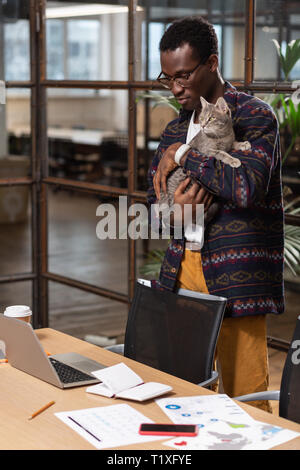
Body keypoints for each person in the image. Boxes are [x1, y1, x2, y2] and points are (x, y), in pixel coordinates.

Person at [147, 16, 284, 412]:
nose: (175, 88)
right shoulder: (173, 129)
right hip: (182, 272)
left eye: (184, 76)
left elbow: (246, 186)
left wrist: (184, 156)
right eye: (167, 78)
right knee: (184, 393)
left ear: (212, 63)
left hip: (236, 275)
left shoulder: (254, 116)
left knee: (245, 402)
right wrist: (175, 215)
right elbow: (152, 203)